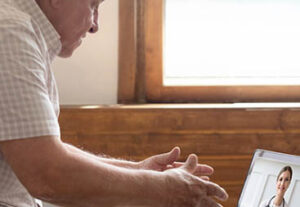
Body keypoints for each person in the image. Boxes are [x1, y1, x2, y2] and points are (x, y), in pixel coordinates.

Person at [0, 0, 228, 206]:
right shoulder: (11, 33)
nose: (94, 25)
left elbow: (38, 148)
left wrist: (139, 171)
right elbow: (47, 173)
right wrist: (164, 189)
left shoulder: (18, 30)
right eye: (93, 5)